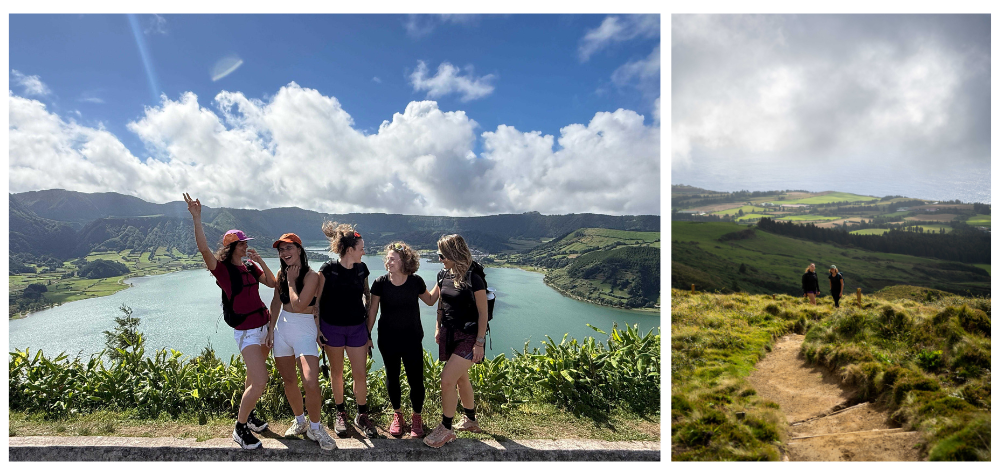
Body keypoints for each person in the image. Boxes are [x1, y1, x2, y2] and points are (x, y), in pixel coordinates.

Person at [183, 193, 276, 450]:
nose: (245, 247)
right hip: (246, 333)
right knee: (260, 381)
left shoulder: (249, 267)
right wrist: (197, 218)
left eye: (246, 243)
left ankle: (250, 416)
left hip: (263, 327)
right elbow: (203, 249)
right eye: (242, 244)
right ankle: (240, 427)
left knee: (252, 378)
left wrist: (260, 262)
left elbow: (272, 283)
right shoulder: (223, 271)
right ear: (232, 247)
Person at [266, 233, 335, 450]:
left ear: (299, 250)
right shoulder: (281, 273)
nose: (285, 253)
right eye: (281, 250)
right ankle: (300, 421)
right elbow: (277, 302)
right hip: (282, 330)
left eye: (289, 248)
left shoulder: (311, 275)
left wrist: (292, 281)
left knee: (311, 381)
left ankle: (315, 427)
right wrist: (270, 329)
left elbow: (298, 304)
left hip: (305, 329)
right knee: (289, 380)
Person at [424, 234, 488, 448]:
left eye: (442, 255)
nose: (439, 258)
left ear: (453, 254)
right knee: (461, 378)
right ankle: (470, 420)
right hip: (449, 334)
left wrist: (479, 343)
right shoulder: (443, 274)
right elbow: (434, 301)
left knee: (447, 380)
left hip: (469, 337)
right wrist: (406, 278)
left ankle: (446, 428)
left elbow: (483, 313)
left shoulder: (474, 277)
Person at [368, 241, 437, 438]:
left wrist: (441, 282)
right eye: (387, 258)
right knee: (393, 377)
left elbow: (431, 300)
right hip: (387, 339)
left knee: (416, 379)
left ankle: (417, 417)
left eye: (393, 259)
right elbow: (372, 311)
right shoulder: (380, 282)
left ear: (404, 261)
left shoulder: (415, 281)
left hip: (412, 338)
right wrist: (367, 335)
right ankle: (398, 415)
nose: (388, 262)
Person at [315, 222, 377, 438]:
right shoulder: (328, 270)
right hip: (331, 328)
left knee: (360, 374)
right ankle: (341, 413)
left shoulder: (362, 269)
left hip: (357, 328)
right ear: (350, 249)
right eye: (361, 248)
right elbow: (318, 302)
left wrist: (368, 333)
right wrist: (318, 330)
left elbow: (367, 298)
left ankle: (361, 415)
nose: (364, 251)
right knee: (337, 373)